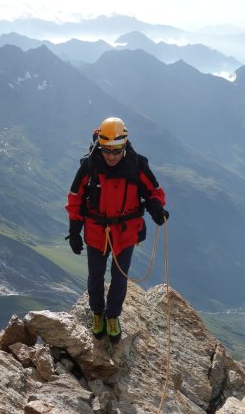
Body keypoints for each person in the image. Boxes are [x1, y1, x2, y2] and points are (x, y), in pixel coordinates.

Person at [66, 117, 168, 343]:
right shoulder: (89, 166)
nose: (111, 156)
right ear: (99, 146)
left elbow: (154, 191)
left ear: (124, 145)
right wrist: (74, 231)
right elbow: (75, 199)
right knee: (95, 275)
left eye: (116, 150)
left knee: (120, 276)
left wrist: (156, 208)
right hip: (97, 230)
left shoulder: (137, 164)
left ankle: (112, 316)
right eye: (106, 150)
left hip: (126, 231)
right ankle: (97, 313)